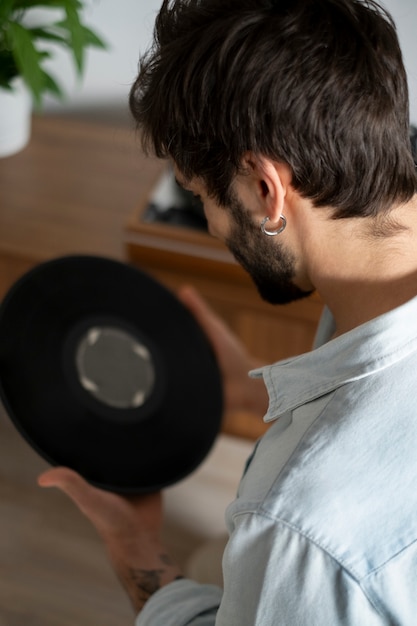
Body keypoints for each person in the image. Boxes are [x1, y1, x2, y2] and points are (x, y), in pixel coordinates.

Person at [38, 0, 417, 623]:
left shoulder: (299, 524)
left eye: (200, 198)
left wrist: (135, 549)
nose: (213, 225)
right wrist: (258, 391)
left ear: (266, 189)